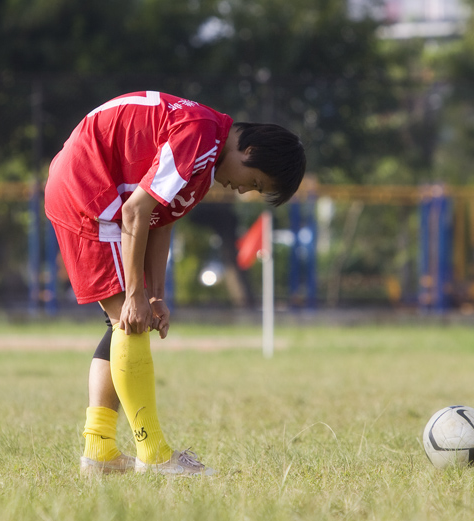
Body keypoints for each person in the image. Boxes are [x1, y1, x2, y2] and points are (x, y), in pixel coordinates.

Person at [44, 91, 306, 476]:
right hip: (87, 188)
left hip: (91, 188)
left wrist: (155, 296)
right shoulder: (200, 136)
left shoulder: (206, 158)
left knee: (124, 323)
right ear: (248, 150)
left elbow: (159, 222)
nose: (244, 190)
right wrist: (136, 295)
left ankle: (99, 450)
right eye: (254, 181)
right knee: (129, 323)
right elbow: (136, 210)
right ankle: (154, 454)